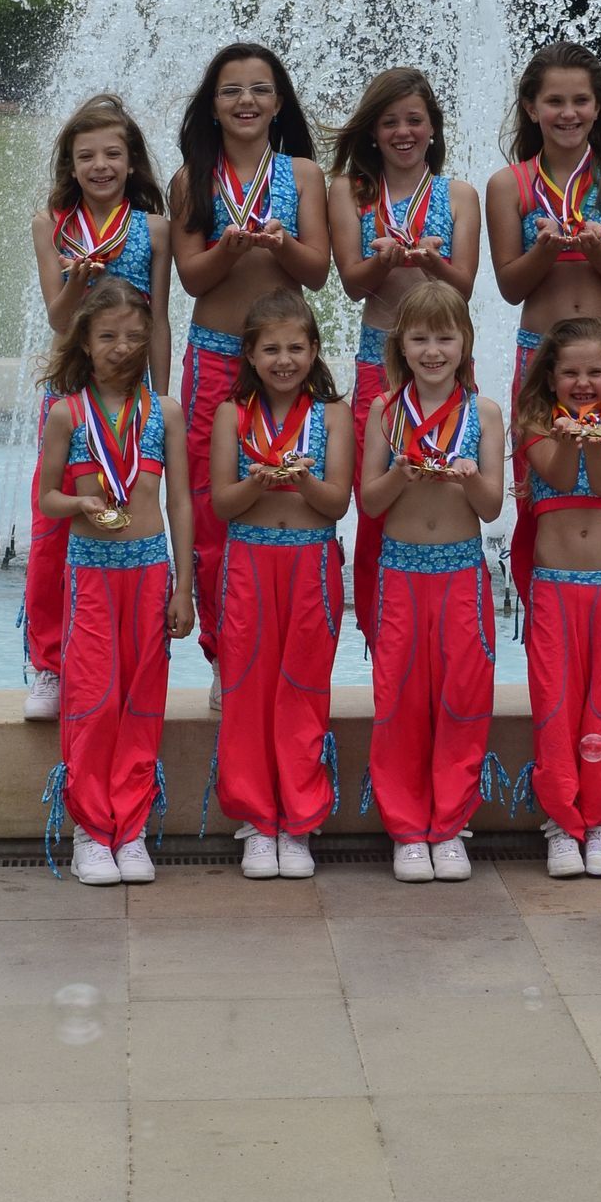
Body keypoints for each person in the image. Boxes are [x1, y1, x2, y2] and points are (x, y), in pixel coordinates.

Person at [170, 45, 329, 698]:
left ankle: (284, 648)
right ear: (212, 105)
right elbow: (191, 277)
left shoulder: (303, 174)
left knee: (287, 493)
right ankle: (223, 653)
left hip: (285, 362)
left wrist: (281, 242)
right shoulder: (192, 179)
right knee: (214, 506)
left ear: (278, 102)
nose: (246, 101)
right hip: (216, 357)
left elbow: (317, 272)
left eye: (260, 89)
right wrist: (229, 248)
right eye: (232, 90)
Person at [36, 276, 192, 885]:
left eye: (132, 336)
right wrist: (79, 505)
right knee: (94, 699)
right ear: (85, 341)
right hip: (92, 573)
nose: (121, 347)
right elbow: (48, 499)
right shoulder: (66, 413)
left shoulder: (165, 413)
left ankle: (131, 827)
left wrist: (184, 586)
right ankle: (90, 830)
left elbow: (180, 502)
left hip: (150, 571)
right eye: (107, 336)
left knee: (141, 701)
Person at [22, 94, 171, 724]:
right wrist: (79, 277)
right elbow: (59, 319)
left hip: (134, 403)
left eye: (113, 153)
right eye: (87, 156)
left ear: (132, 161)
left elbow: (159, 319)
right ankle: (49, 664)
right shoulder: (51, 225)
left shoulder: (153, 228)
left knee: (129, 515)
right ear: (71, 164)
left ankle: (118, 653)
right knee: (52, 527)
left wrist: (161, 399)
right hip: (72, 397)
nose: (101, 166)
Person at [486, 43, 601, 602]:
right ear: (531, 108)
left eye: (581, 100)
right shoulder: (509, 184)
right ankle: (546, 617)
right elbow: (511, 286)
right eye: (554, 101)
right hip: (543, 356)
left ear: (598, 107)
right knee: (539, 490)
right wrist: (545, 250)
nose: (568, 112)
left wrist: (596, 249)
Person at [357, 282, 506, 880]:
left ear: (465, 341)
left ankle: (449, 825)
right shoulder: (385, 411)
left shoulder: (484, 413)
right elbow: (369, 503)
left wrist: (469, 478)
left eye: (445, 337)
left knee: (462, 698)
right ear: (401, 345)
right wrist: (398, 473)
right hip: (400, 571)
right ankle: (407, 829)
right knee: (399, 699)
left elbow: (492, 508)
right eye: (420, 338)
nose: (433, 351)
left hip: (460, 573)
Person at [329, 67, 480, 647]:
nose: (403, 132)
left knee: (444, 484)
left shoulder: (458, 194)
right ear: (372, 131)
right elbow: (352, 283)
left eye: (414, 120)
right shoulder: (350, 192)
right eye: (390, 121)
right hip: (380, 361)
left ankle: (444, 628)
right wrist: (386, 259)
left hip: (446, 361)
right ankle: (381, 632)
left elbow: (463, 286)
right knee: (378, 497)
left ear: (433, 128)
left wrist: (431, 261)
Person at [208, 288, 353, 878]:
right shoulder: (231, 414)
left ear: (314, 350)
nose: (284, 360)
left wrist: (301, 479)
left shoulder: (333, 415)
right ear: (250, 354)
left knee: (303, 689)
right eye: (271, 349)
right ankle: (255, 820)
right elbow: (222, 504)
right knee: (248, 688)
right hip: (249, 560)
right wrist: (259, 482)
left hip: (311, 563)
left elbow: (337, 503)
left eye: (296, 348)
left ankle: (299, 819)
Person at [510, 317, 601, 879]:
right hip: (556, 590)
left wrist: (594, 440)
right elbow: (563, 478)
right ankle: (562, 822)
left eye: (595, 372)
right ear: (551, 378)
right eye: (570, 372)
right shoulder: (536, 428)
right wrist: (571, 439)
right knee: (556, 706)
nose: (583, 383)